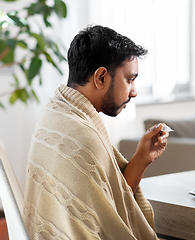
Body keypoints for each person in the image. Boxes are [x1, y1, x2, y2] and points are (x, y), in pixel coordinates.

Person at [22, 25, 168, 239]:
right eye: (129, 79)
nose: (134, 92)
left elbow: (107, 204)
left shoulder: (55, 115)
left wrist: (142, 158)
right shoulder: (82, 135)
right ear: (100, 77)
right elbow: (113, 221)